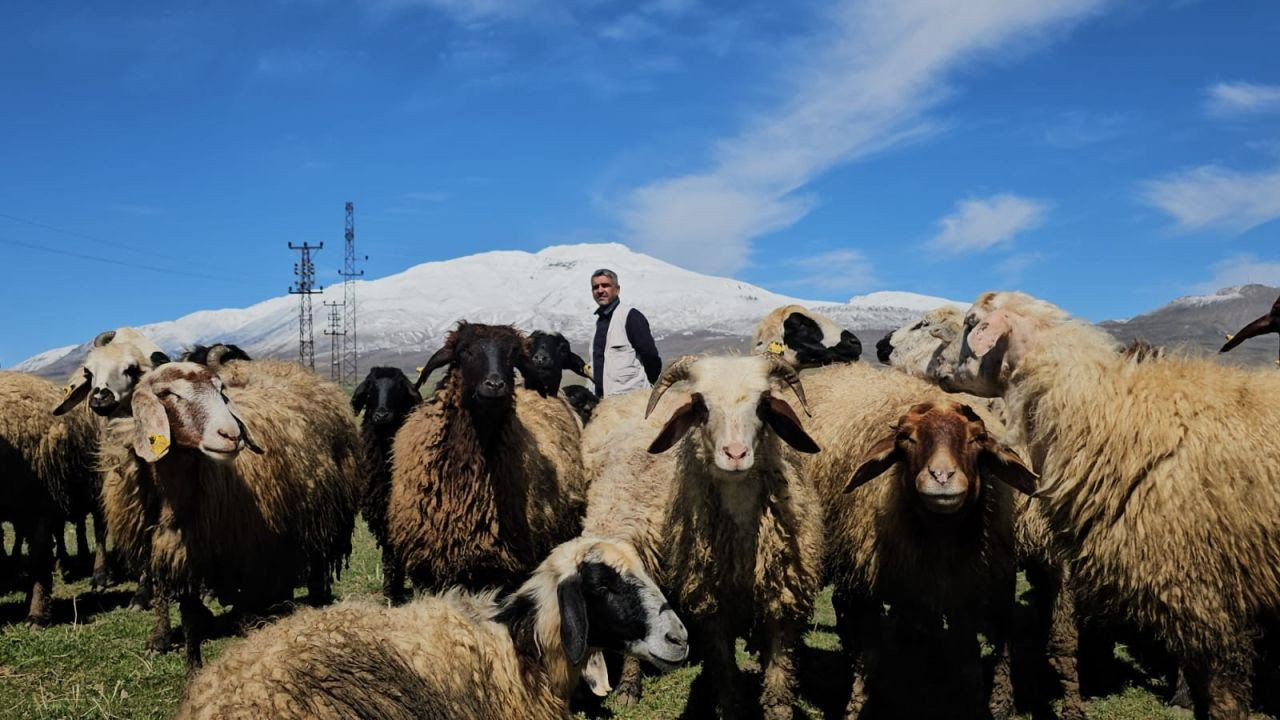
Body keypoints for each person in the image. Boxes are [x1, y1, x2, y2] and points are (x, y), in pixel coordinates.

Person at [589, 268, 661, 397]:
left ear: (617, 289)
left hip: (631, 400)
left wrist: (646, 386)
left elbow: (651, 356)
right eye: (595, 287)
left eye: (605, 285)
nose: (600, 291)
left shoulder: (631, 317)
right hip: (601, 402)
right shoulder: (598, 323)